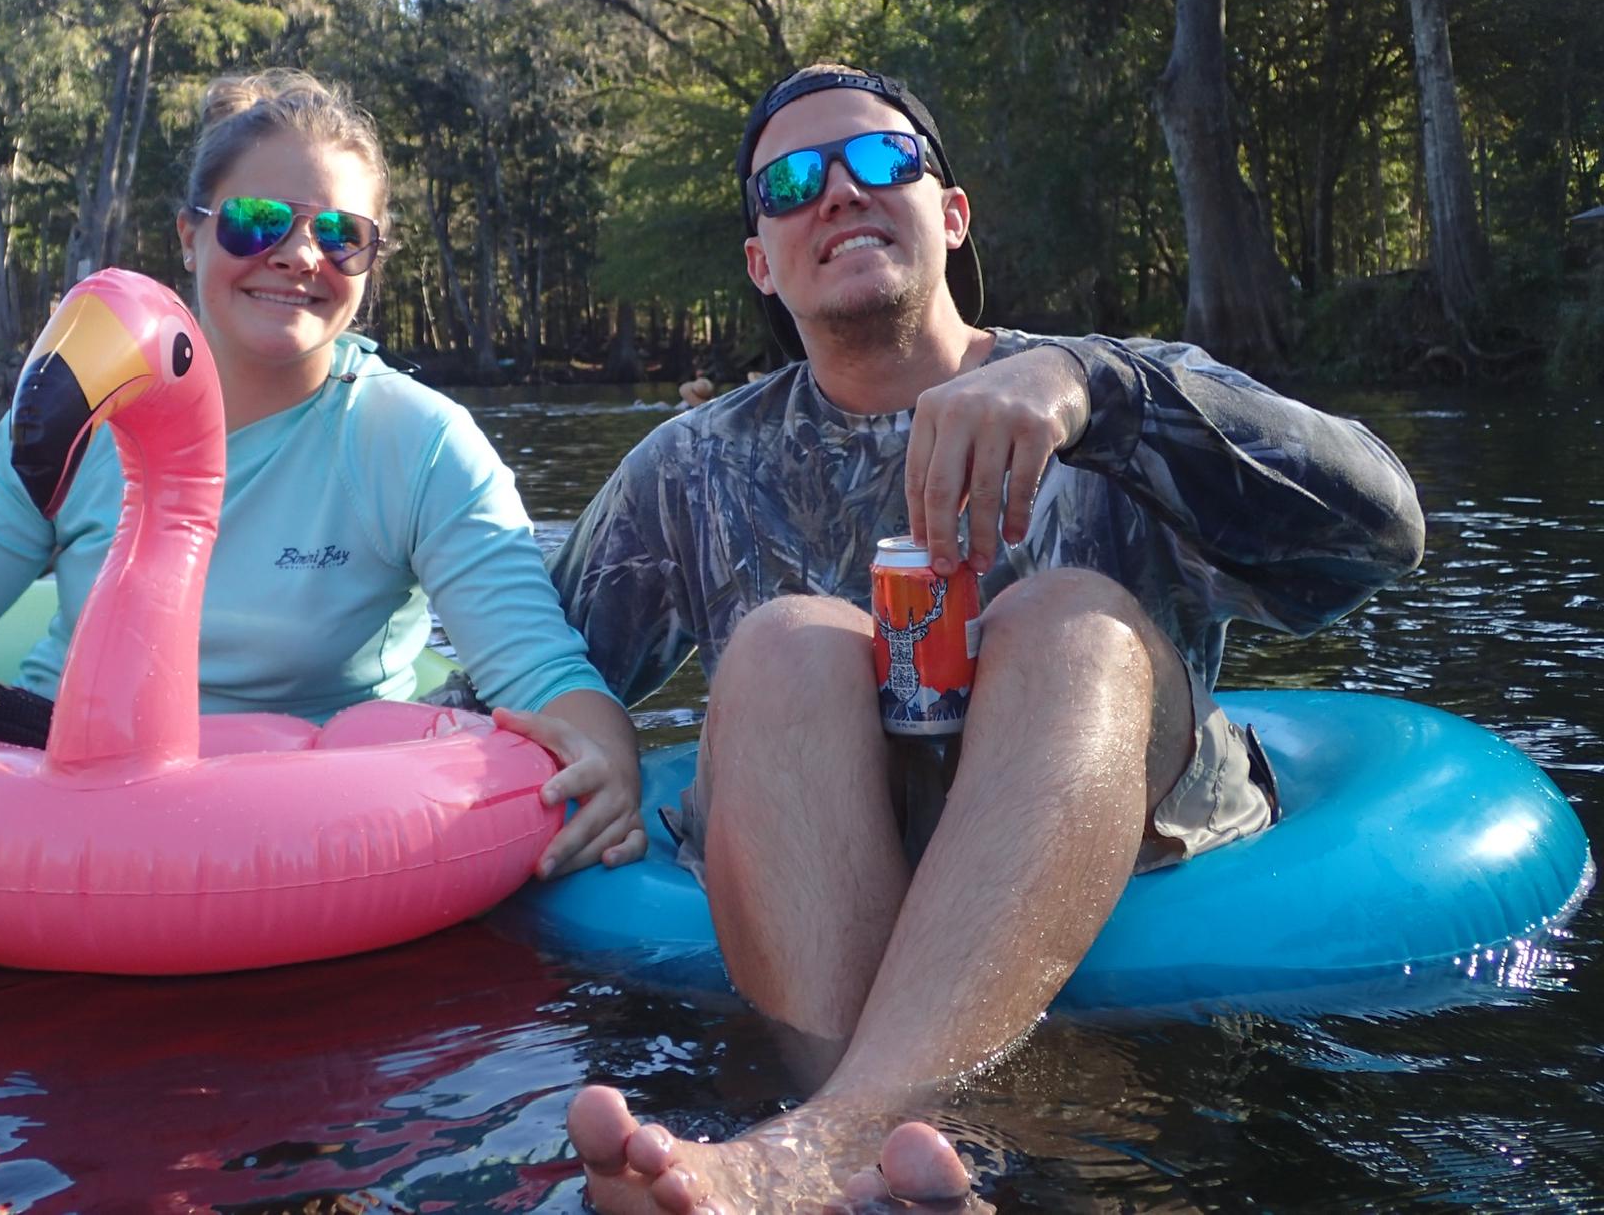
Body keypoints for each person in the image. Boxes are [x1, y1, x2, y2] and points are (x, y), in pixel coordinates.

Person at [550, 64, 1426, 1211]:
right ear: (760, 260)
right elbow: (528, 666)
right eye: (792, 182)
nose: (839, 194)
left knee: (1064, 618)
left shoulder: (1110, 390)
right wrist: (594, 733)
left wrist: (1095, 391)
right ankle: (888, 1170)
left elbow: (1379, 535)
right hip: (824, 872)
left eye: (879, 162)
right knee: (781, 643)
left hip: (1110, 814)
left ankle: (822, 1150)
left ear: (949, 214)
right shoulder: (690, 468)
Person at [0, 69, 645, 941]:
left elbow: (539, 672)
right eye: (255, 220)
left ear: (370, 263)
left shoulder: (412, 441)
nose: (298, 254)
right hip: (48, 756)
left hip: (267, 806)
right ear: (189, 235)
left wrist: (608, 763)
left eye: (342, 233)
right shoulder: (83, 413)